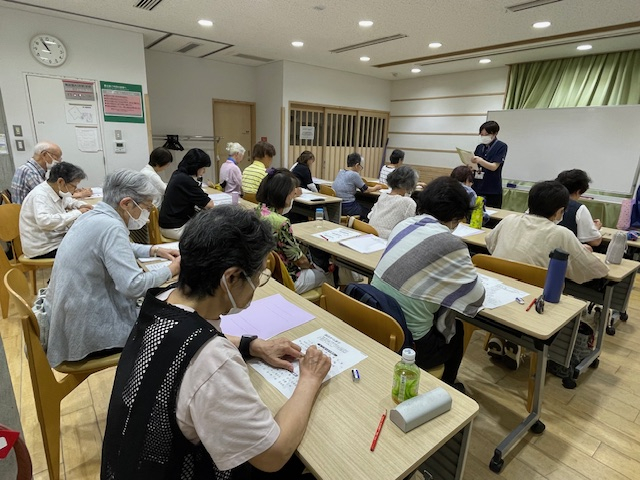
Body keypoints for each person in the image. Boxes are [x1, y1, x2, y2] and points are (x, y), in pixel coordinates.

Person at [101, 206, 331, 479]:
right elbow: (273, 455)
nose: (257, 284)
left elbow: (183, 342)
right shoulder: (213, 359)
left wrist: (251, 345)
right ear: (231, 278)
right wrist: (310, 378)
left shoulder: (162, 300)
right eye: (258, 276)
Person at [43, 170, 181, 368]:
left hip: (69, 318)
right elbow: (133, 286)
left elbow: (118, 248)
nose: (146, 216)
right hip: (88, 328)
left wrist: (153, 250)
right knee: (170, 323)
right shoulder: (112, 227)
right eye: (145, 208)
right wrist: (172, 269)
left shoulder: (94, 216)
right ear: (126, 204)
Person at [371, 177, 486, 389]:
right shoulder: (451, 243)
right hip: (410, 344)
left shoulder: (404, 224)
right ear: (457, 217)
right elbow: (477, 298)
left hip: (376, 320)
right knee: (457, 331)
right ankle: (448, 388)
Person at [485, 181, 609, 368]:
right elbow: (590, 270)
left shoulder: (509, 220)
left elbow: (490, 244)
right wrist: (583, 250)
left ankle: (502, 337)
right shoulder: (562, 233)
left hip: (495, 291)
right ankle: (520, 343)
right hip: (534, 302)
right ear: (560, 212)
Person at [256, 168, 328, 294]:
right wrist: (312, 267)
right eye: (292, 193)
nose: (294, 196)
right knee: (324, 276)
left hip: (263, 272)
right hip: (285, 278)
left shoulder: (257, 211)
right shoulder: (281, 223)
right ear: (284, 195)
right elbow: (300, 260)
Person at [19, 162, 93, 259]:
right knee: (91, 249)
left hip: (55, 240)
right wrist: (78, 212)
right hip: (43, 248)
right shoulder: (40, 195)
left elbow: (67, 200)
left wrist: (80, 205)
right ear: (61, 182)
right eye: (73, 186)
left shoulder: (54, 190)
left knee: (90, 239)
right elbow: (44, 221)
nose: (74, 190)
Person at [159, 148, 214, 239]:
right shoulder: (186, 180)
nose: (204, 171)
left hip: (168, 223)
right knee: (213, 229)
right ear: (196, 167)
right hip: (176, 228)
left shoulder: (177, 174)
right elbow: (210, 205)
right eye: (203, 168)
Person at [555, 169, 602, 249]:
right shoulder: (579, 209)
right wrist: (596, 229)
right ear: (578, 191)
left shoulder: (544, 201)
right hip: (566, 252)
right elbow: (595, 241)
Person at [367, 165, 417, 239]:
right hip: (388, 240)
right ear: (410, 184)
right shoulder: (408, 202)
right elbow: (411, 229)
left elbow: (370, 216)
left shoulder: (383, 196)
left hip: (370, 234)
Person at [333, 153, 382, 217]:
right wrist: (376, 187)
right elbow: (365, 190)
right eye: (361, 167)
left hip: (338, 205)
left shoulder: (341, 171)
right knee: (369, 211)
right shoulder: (354, 174)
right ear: (357, 165)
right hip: (348, 206)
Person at [471, 120, 507, 208]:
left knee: (492, 213)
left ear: (495, 133)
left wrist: (480, 160)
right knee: (475, 211)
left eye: (486, 134)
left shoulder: (501, 146)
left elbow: (494, 167)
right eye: (482, 135)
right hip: (477, 186)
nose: (484, 137)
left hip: (492, 188)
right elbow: (475, 165)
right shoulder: (480, 147)